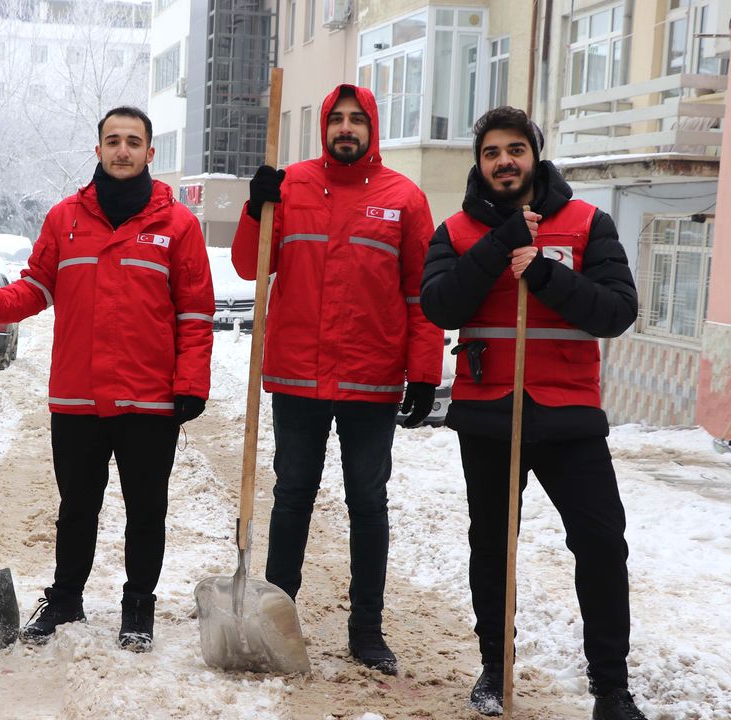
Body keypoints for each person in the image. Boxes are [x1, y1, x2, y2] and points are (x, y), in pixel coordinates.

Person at [419, 106, 647, 719]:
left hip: (569, 415)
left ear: (535, 156)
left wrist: (543, 272)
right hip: (489, 415)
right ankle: (495, 668)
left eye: (515, 149)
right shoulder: (455, 232)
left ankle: (611, 687)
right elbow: (440, 305)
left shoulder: (587, 223)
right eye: (492, 152)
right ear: (479, 163)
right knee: (493, 547)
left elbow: (616, 312)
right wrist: (499, 245)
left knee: (602, 544)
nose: (504, 161)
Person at [0, 106, 213, 653]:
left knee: (146, 510)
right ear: (98, 150)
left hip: (149, 398)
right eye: (113, 140)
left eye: (133, 141)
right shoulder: (65, 219)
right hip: (77, 395)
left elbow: (195, 313)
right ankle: (66, 598)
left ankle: (138, 605)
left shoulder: (179, 225)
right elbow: (37, 286)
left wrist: (192, 381)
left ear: (150, 152)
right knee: (76, 508)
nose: (122, 150)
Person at [231, 84, 443, 675]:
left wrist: (425, 372)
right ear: (324, 128)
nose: (345, 129)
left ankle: (366, 629)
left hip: (371, 377)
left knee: (368, 504)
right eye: (336, 120)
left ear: (372, 128)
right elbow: (250, 266)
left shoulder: (405, 198)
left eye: (357, 120)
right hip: (297, 374)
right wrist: (255, 208)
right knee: (292, 496)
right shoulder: (291, 186)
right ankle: (278, 619)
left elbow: (421, 294)